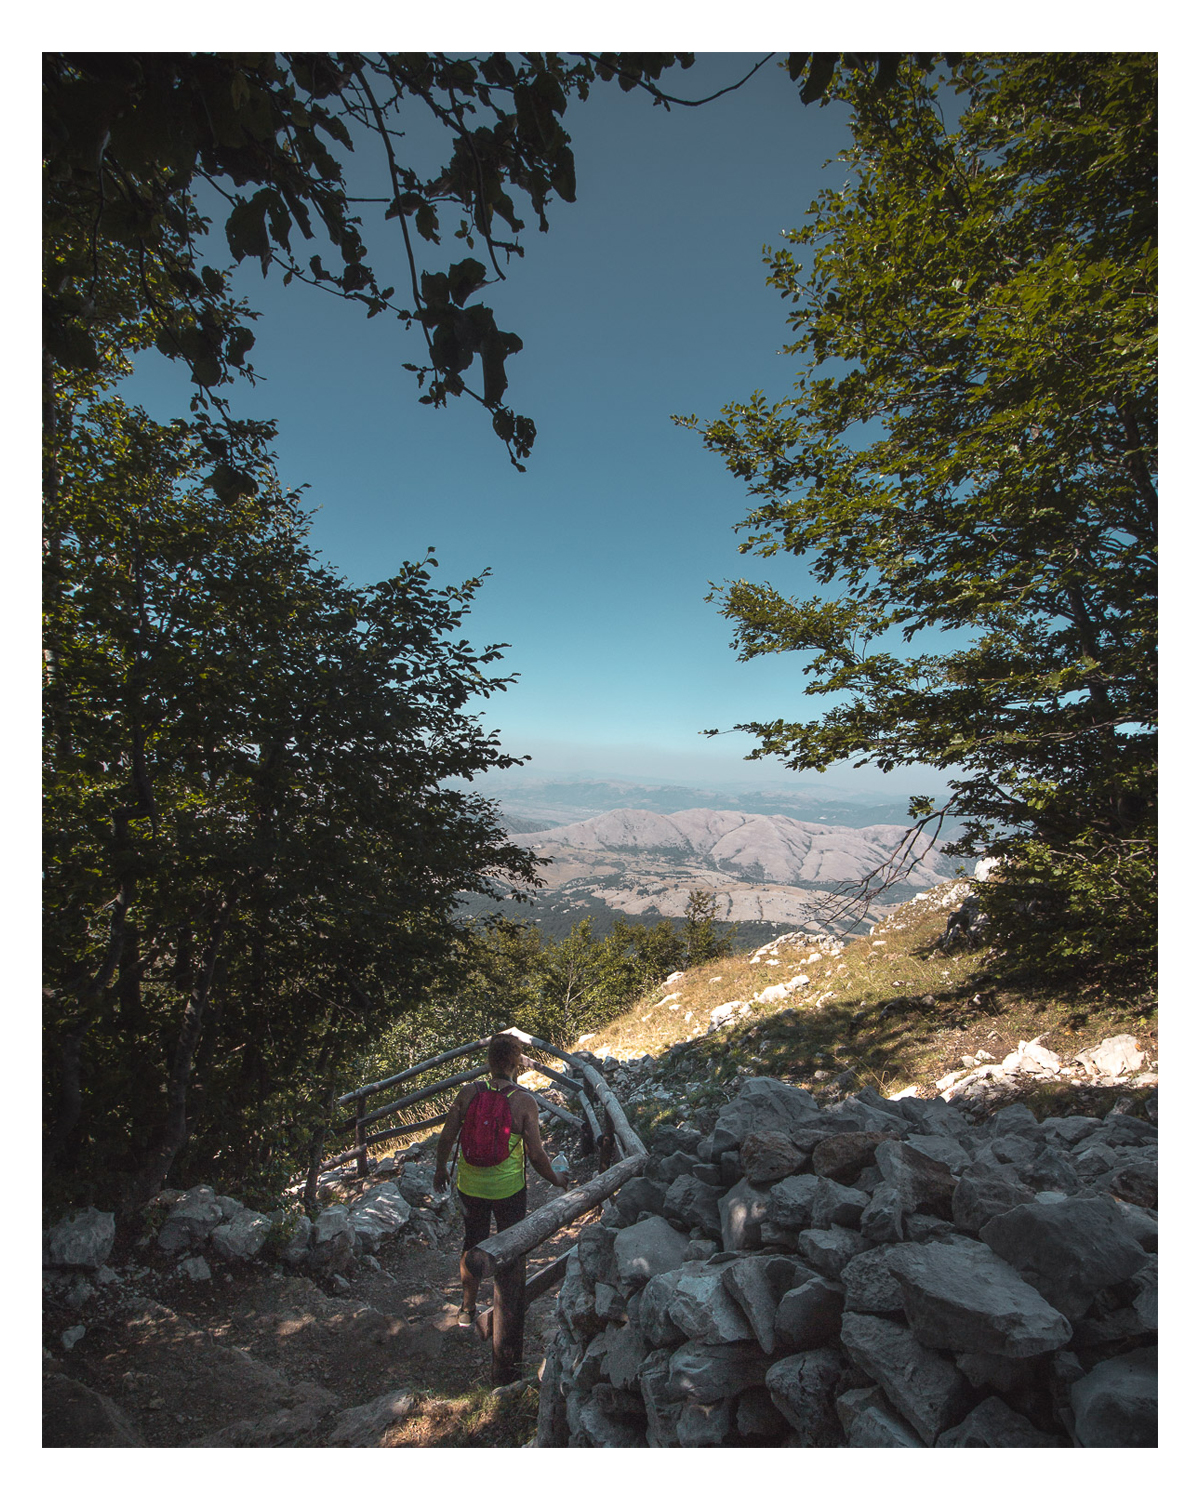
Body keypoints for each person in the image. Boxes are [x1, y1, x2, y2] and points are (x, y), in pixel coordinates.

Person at [433, 1031, 568, 1326]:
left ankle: (467, 1308)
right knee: (513, 1245)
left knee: (472, 1242)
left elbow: (446, 1137)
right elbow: (536, 1156)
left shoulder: (469, 1093)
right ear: (516, 1063)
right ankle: (508, 1307)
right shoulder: (524, 1101)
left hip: (470, 1186)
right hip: (509, 1189)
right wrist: (556, 1179)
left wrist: (441, 1168)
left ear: (490, 1061)